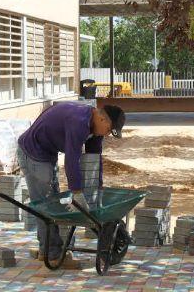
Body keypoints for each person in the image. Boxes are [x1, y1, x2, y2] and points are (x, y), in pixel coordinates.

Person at [17, 102, 125, 268]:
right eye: (110, 130)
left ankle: (46, 250)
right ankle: (53, 255)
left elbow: (94, 159)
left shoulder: (95, 127)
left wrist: (98, 185)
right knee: (47, 204)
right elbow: (71, 160)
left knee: (51, 202)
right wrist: (76, 193)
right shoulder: (79, 122)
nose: (109, 134)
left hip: (47, 153)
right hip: (33, 152)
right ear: (102, 119)